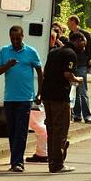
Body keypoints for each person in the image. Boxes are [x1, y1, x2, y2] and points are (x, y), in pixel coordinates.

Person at [0, 25, 43, 172]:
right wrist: (7, 65)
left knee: (21, 131)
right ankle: (15, 160)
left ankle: (18, 162)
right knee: (12, 131)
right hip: (10, 98)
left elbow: (40, 73)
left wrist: (40, 93)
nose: (15, 41)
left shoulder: (31, 52)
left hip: (25, 98)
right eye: (12, 38)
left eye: (18, 38)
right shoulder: (4, 51)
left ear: (23, 37)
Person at [38, 29, 78, 173]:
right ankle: (57, 163)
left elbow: (44, 73)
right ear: (76, 41)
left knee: (51, 130)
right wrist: (78, 79)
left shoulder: (53, 52)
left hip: (47, 95)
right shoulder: (71, 54)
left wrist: (40, 93)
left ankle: (52, 161)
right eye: (83, 44)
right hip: (60, 97)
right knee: (60, 130)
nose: (83, 47)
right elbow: (68, 74)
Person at [67, 15, 91, 124]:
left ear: (73, 22)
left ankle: (87, 115)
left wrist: (89, 61)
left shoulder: (85, 34)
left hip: (82, 64)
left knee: (83, 90)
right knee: (75, 91)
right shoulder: (70, 34)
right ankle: (77, 115)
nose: (68, 24)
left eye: (69, 21)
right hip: (73, 64)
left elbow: (89, 49)